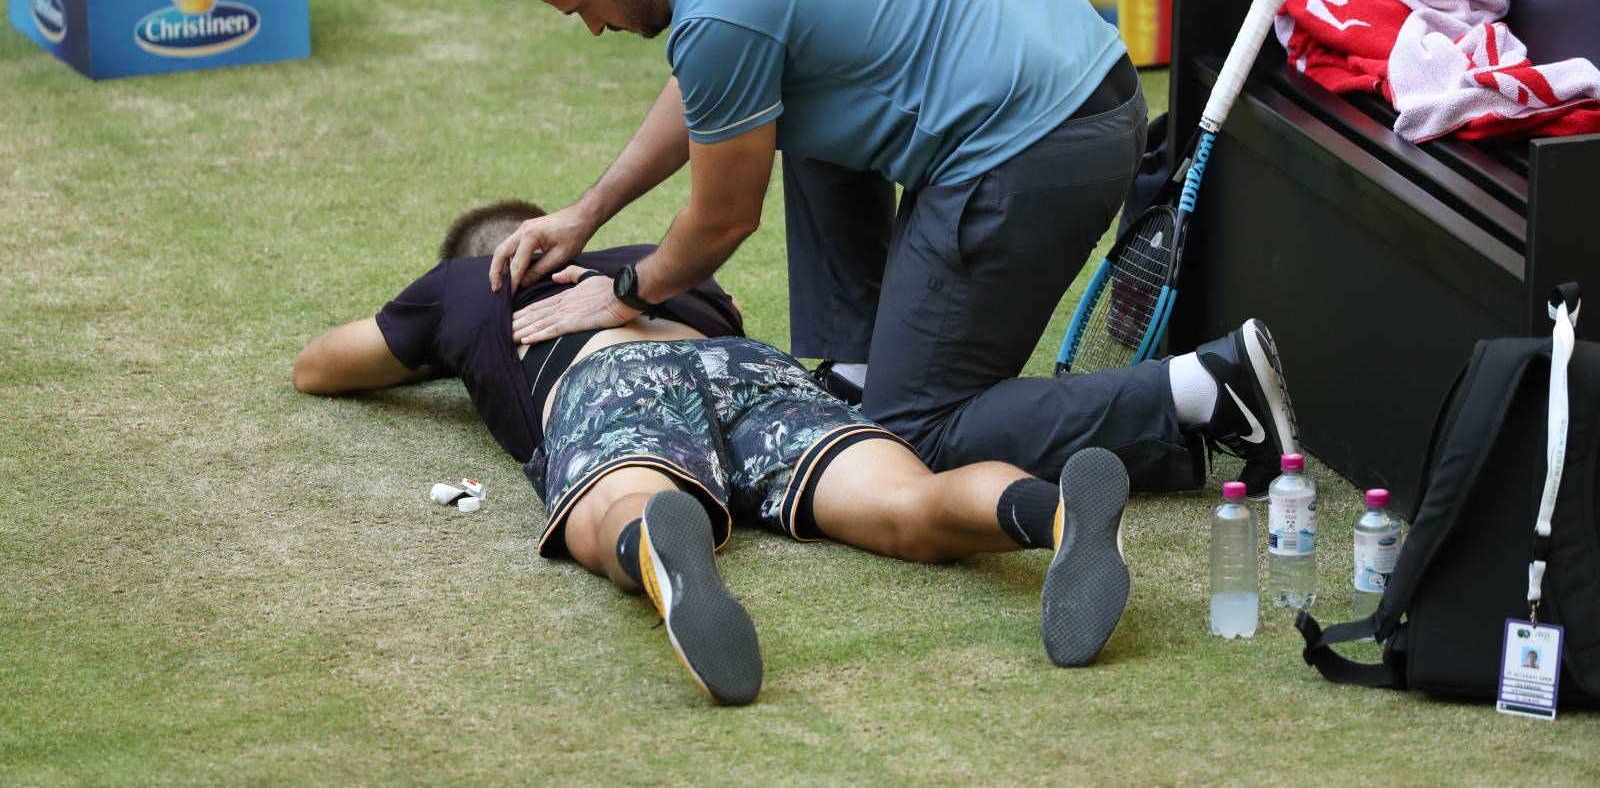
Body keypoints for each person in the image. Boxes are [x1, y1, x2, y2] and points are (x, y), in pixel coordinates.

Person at [486, 0, 1296, 494]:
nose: (593, 29)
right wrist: (586, 213)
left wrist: (626, 290)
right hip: (1079, 84)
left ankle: (1203, 388)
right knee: (774, 105)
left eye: (582, 8)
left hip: (1036, 152)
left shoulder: (720, 14)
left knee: (917, 430)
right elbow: (711, 90)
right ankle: (861, 360)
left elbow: (723, 219)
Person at [294, 200, 1138, 706]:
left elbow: (319, 366)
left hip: (611, 379)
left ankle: (652, 540)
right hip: (745, 367)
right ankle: (1048, 510)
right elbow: (728, 305)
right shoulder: (654, 266)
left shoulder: (465, 286)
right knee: (905, 503)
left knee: (615, 495)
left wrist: (449, 346)